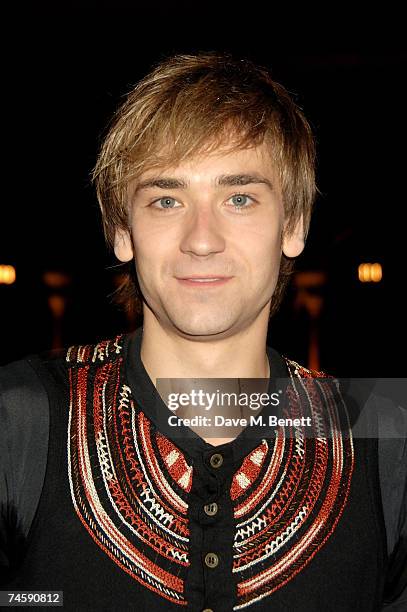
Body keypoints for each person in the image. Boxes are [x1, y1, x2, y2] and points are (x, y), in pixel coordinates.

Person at [0, 52, 406, 611]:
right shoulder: (19, 417)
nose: (202, 238)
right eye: (167, 200)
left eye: (239, 198)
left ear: (293, 226)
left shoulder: (385, 431)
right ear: (122, 231)